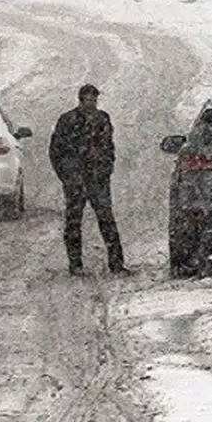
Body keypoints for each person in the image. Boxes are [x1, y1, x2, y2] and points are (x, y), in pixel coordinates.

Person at [48, 84, 130, 277]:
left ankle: (116, 264)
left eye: (94, 100)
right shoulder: (68, 121)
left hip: (97, 178)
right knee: (74, 222)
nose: (91, 103)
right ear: (80, 100)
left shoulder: (102, 119)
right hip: (76, 179)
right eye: (88, 100)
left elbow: (109, 147)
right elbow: (55, 150)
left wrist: (106, 168)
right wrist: (66, 175)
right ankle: (75, 264)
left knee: (106, 219)